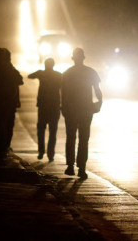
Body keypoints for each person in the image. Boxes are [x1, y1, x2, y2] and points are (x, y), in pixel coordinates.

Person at [61, 48, 102, 179]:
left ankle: (70, 166)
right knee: (84, 139)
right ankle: (82, 168)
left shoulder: (67, 73)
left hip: (72, 110)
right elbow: (97, 90)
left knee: (71, 138)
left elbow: (63, 93)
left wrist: (63, 108)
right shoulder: (90, 72)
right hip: (85, 110)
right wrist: (99, 103)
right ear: (84, 57)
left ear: (73, 58)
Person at [0, 48, 23, 157]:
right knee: (7, 126)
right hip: (7, 103)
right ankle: (4, 147)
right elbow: (20, 80)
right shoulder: (9, 69)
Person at [27, 58, 62, 161]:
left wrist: (40, 72)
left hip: (43, 106)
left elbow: (30, 76)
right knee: (53, 131)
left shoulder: (41, 73)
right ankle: (51, 154)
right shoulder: (58, 75)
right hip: (54, 105)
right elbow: (63, 87)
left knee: (41, 130)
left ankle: (41, 151)